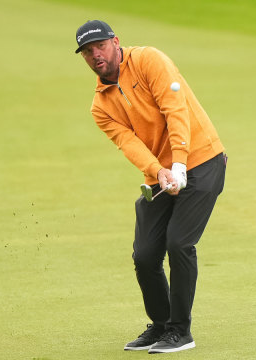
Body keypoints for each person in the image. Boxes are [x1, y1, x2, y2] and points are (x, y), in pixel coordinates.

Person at [75, 20, 226, 354]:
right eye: (87, 52)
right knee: (144, 255)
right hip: (161, 175)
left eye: (99, 46)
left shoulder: (148, 60)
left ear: (115, 42)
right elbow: (129, 143)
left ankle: (180, 331)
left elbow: (176, 110)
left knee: (179, 242)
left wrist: (180, 163)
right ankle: (160, 325)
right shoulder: (100, 106)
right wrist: (158, 171)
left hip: (202, 160)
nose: (95, 55)